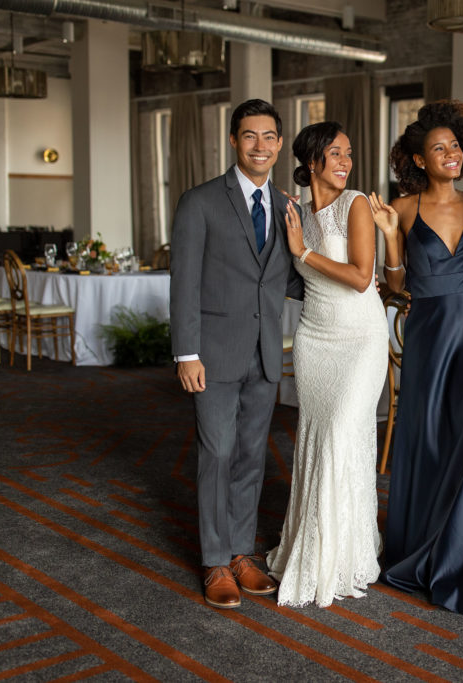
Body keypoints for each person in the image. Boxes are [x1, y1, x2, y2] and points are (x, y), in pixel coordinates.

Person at [372, 100, 463, 619]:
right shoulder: (405, 208)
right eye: (438, 149)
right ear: (418, 160)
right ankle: (427, 543)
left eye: (454, 145)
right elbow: (394, 285)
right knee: (431, 439)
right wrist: (391, 237)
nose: (450, 154)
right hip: (430, 334)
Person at [169, 99, 304, 610]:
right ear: (233, 141)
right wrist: (186, 353)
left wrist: (348, 282)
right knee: (217, 453)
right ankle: (214, 561)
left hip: (267, 353)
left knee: (252, 456)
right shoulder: (200, 201)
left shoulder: (288, 205)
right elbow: (184, 282)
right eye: (250, 136)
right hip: (213, 353)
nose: (261, 146)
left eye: (270, 137)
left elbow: (289, 277)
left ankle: (243, 552)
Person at [266, 121, 387, 607]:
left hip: (359, 337)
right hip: (313, 338)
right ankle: (313, 546)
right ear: (312, 160)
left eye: (349, 154)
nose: (345, 162)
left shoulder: (355, 203)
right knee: (317, 439)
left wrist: (305, 252)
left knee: (340, 433)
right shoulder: (295, 212)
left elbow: (361, 277)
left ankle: (342, 556)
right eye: (335, 154)